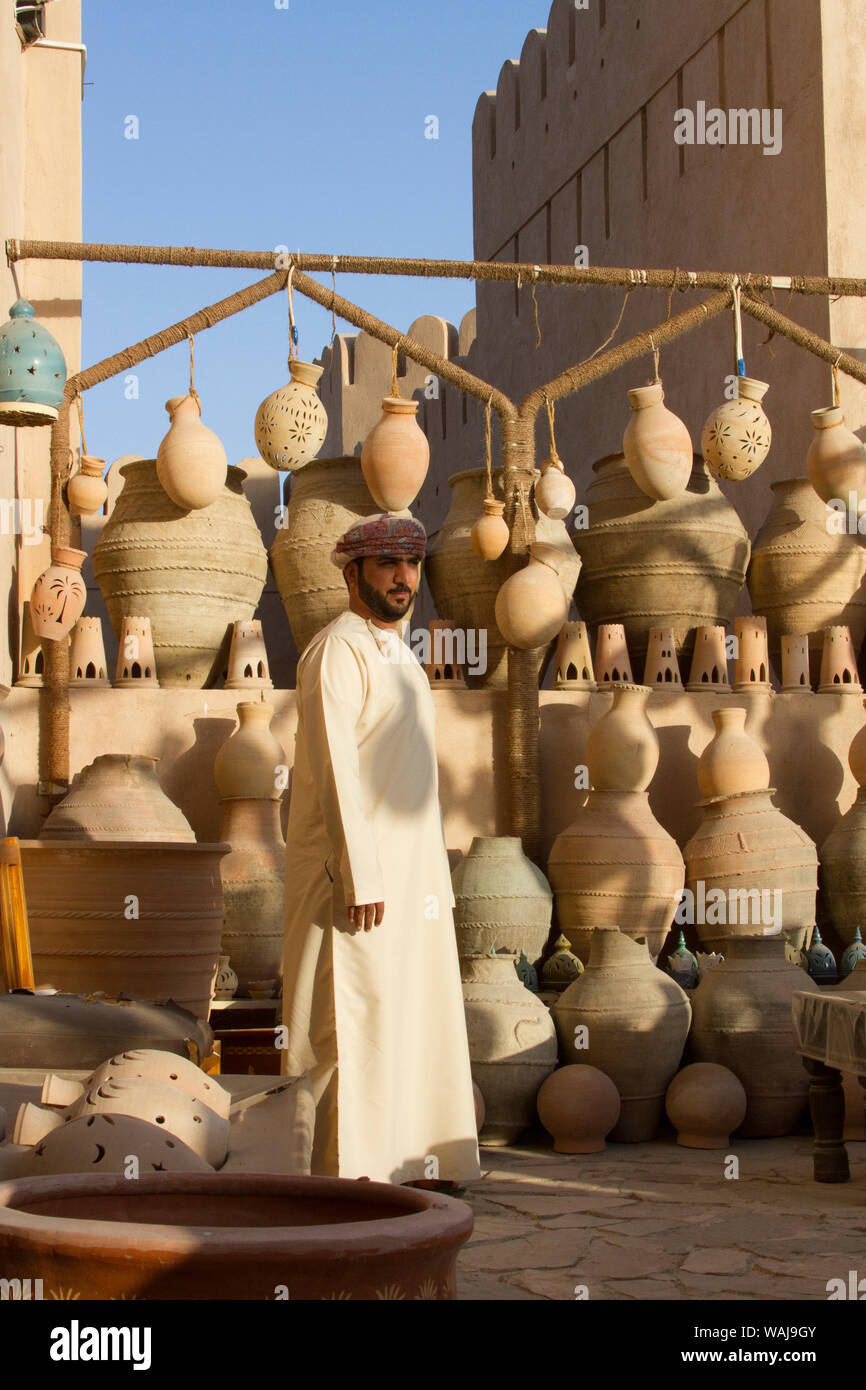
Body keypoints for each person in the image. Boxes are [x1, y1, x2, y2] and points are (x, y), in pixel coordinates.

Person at [279, 512, 481, 1188]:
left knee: (410, 1016)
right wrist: (361, 873)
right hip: (354, 879)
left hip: (412, 878)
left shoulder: (400, 653)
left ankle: (414, 1161)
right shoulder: (336, 649)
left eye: (412, 564)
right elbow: (336, 764)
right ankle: (344, 1177)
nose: (403, 577)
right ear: (353, 571)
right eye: (389, 564)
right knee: (349, 1022)